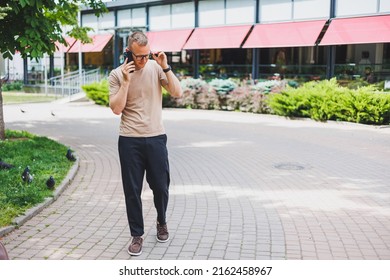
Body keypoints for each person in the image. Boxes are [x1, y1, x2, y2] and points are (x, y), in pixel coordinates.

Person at [108, 31, 183, 256]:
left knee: (161, 186)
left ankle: (161, 220)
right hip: (129, 139)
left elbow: (177, 92)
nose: (143, 61)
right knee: (132, 190)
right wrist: (126, 82)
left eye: (146, 55)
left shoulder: (155, 67)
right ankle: (137, 235)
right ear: (128, 53)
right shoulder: (116, 75)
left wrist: (166, 67)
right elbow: (116, 108)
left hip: (156, 136)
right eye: (139, 56)